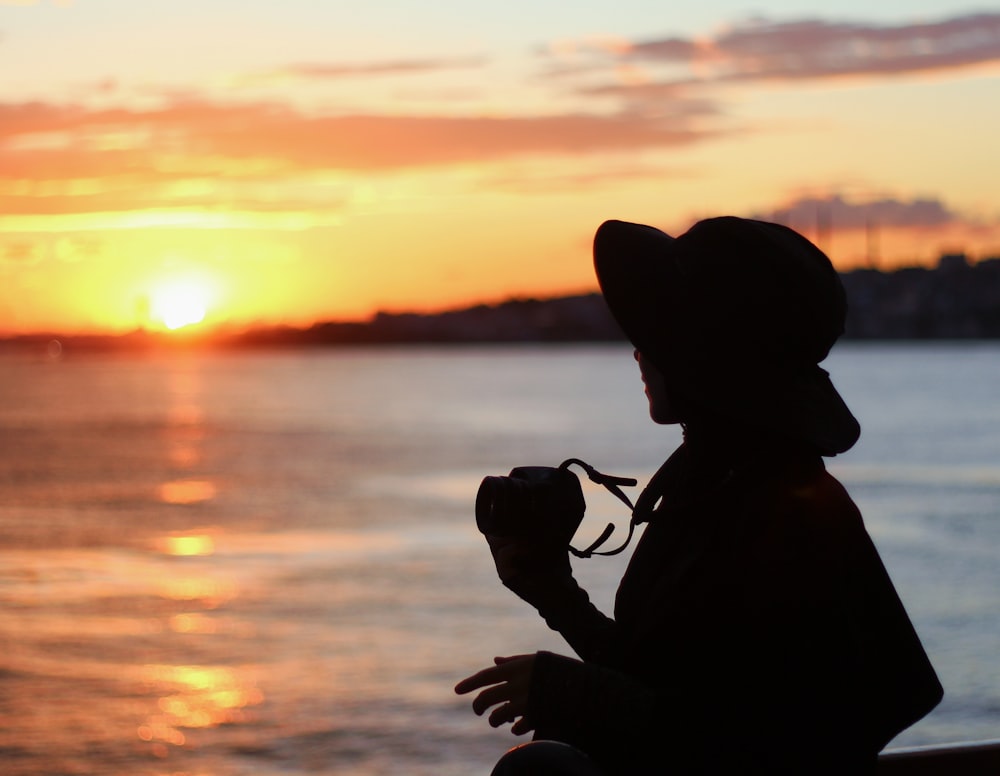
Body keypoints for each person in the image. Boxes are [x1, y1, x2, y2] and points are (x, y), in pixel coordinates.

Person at [455, 217, 943, 775]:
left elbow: (777, 742)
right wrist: (553, 592)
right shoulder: (726, 480)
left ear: (706, 360)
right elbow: (672, 679)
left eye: (658, 334)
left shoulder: (781, 508)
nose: (639, 351)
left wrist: (580, 694)